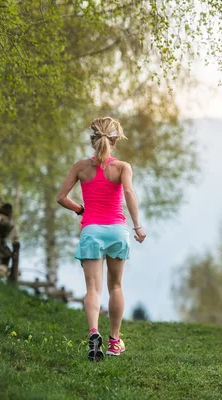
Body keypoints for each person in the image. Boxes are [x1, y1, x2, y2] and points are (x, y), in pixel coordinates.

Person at [56, 116, 146, 361]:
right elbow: (128, 193)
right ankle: (115, 341)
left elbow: (61, 197)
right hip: (117, 230)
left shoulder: (80, 167)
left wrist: (81, 210)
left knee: (92, 289)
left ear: (92, 140)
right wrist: (137, 227)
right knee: (115, 286)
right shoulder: (122, 168)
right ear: (114, 141)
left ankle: (94, 333)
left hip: (92, 231)